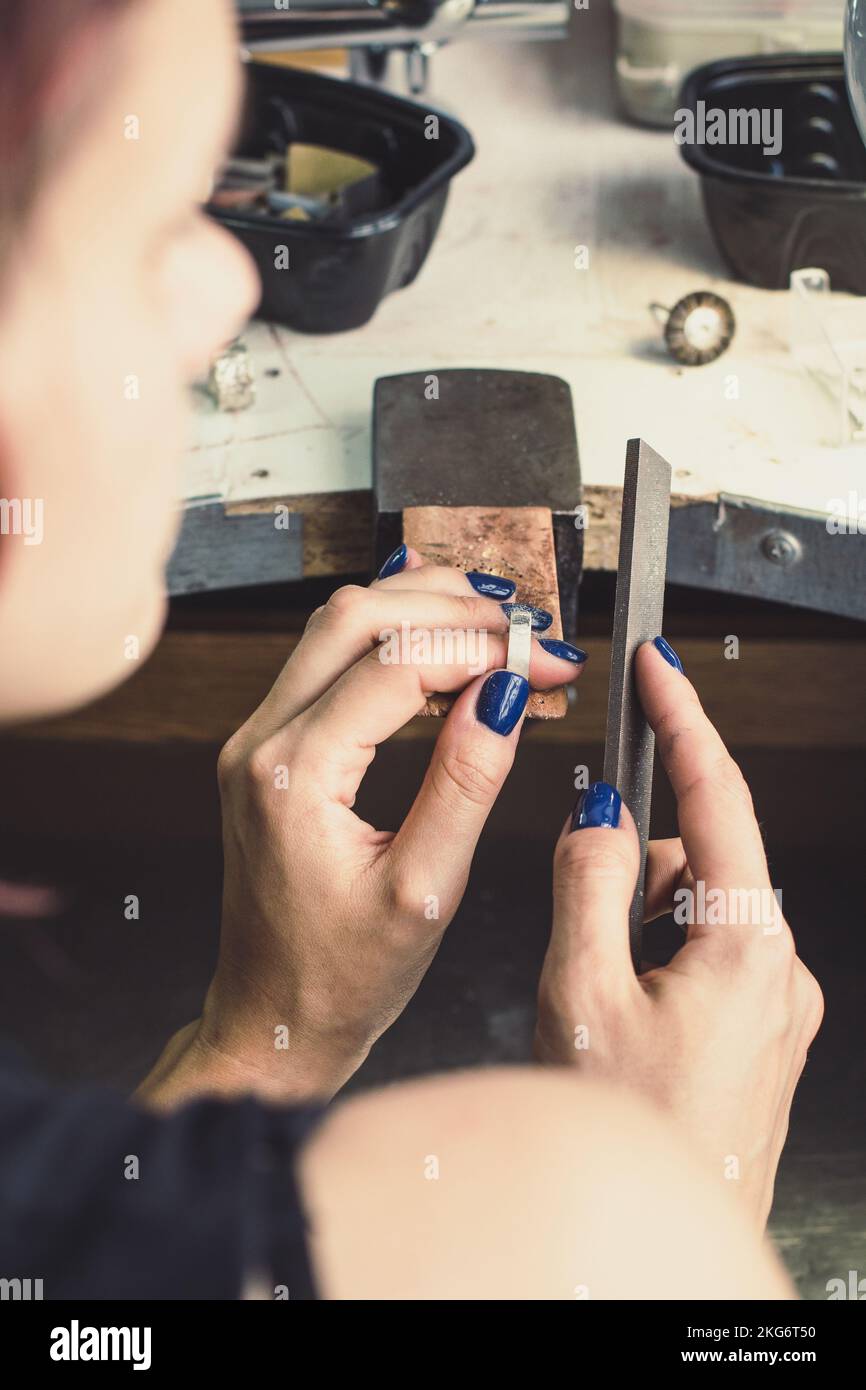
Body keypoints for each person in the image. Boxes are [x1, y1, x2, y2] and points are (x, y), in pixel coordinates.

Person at [0, 0, 822, 1300]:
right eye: (150, 221)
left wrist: (261, 1039)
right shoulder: (581, 1215)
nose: (229, 283)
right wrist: (675, 1202)